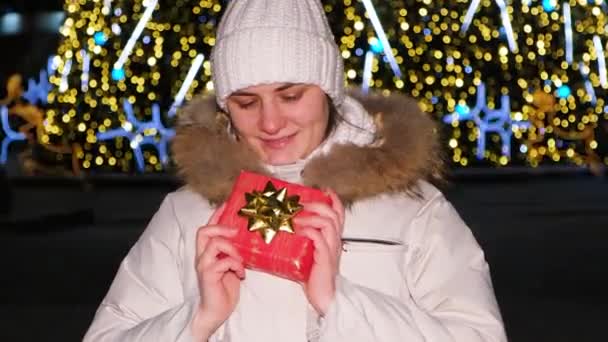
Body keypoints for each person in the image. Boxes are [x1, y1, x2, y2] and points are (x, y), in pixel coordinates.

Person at [84, 0, 507, 341]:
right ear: (225, 106)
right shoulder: (185, 213)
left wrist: (339, 303)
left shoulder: (414, 210)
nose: (270, 123)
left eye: (290, 95)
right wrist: (196, 320)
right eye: (247, 102)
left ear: (328, 90)